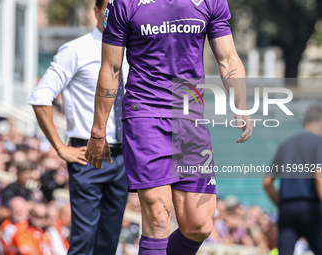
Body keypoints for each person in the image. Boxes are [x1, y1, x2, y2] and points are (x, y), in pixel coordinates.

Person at [86, 0, 253, 254]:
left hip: (190, 116)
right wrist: (98, 131)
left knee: (199, 225)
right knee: (158, 217)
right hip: (145, 115)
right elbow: (111, 67)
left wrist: (240, 104)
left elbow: (228, 58)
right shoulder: (123, 3)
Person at [29, 0, 129, 254]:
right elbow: (41, 97)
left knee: (109, 243)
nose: (115, 12)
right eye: (109, 7)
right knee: (84, 241)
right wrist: (61, 148)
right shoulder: (76, 50)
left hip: (123, 158)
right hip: (87, 155)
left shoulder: (133, 50)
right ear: (96, 11)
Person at [263, 105, 322, 255]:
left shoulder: (285, 144)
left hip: (287, 208)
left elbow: (267, 182)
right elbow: (319, 178)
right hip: (311, 207)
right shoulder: (318, 142)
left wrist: (280, 202)